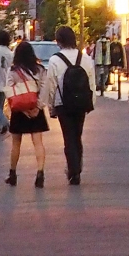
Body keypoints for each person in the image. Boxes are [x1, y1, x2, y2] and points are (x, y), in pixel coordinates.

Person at [46, 26, 96, 184]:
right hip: (81, 103)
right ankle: (77, 167)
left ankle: (73, 170)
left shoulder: (55, 60)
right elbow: (91, 83)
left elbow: (51, 85)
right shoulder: (85, 58)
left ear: (59, 41)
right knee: (77, 135)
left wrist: (50, 106)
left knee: (68, 137)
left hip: (63, 104)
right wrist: (91, 103)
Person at [5, 40, 50, 188]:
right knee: (38, 142)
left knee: (16, 143)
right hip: (35, 109)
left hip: (19, 111)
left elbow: (10, 91)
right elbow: (45, 89)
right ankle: (40, 173)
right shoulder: (40, 70)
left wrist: (22, 109)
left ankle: (12, 174)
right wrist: (37, 107)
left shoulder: (13, 71)